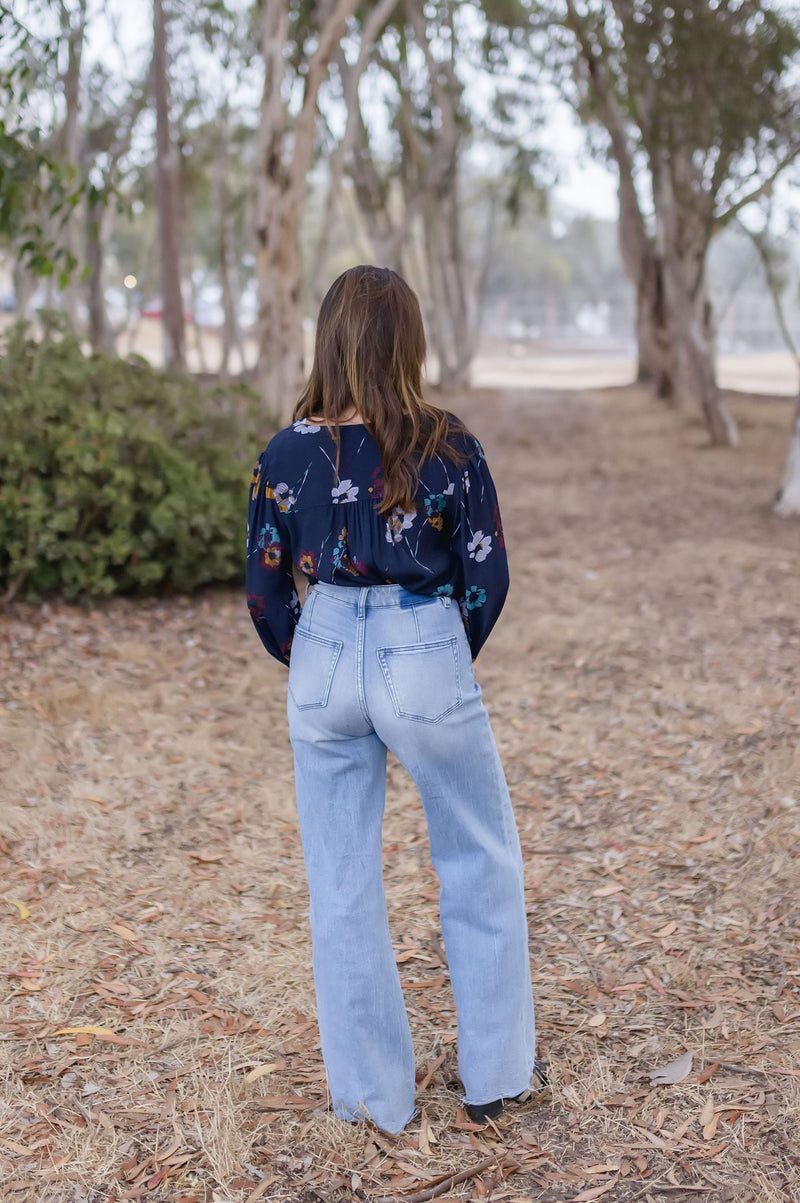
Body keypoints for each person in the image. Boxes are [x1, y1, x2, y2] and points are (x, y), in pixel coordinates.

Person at [245, 265, 543, 1134]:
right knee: (478, 855)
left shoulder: (285, 454)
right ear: (409, 342)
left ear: (329, 340)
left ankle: (376, 1100)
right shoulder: (448, 444)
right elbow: (487, 575)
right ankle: (493, 1077)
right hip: (424, 642)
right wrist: (440, 657)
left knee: (339, 882)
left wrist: (313, 660)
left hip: (325, 646)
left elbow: (265, 594)